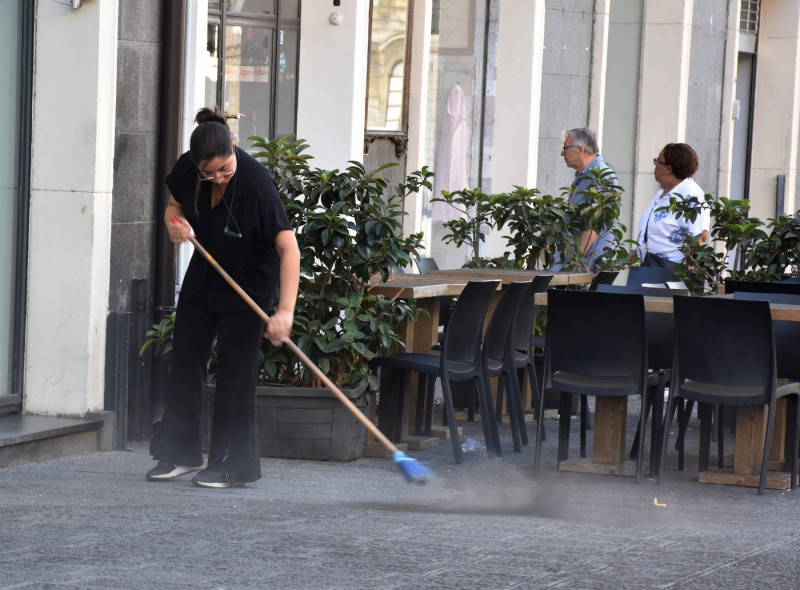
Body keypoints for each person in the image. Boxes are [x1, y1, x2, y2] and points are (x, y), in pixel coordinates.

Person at [146, 107, 300, 488]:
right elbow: (174, 207)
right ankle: (181, 453)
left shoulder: (257, 184)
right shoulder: (190, 168)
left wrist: (284, 311)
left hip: (249, 280)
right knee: (185, 357)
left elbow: (289, 248)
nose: (217, 178)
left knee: (235, 371)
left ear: (234, 146)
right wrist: (175, 226)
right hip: (207, 267)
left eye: (224, 170)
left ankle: (232, 464)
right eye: (208, 173)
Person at [636, 143, 709, 267]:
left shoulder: (690, 196)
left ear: (668, 169)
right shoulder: (665, 191)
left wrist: (684, 279)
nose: (655, 164)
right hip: (650, 266)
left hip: (670, 272)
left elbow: (699, 238)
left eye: (658, 160)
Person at [560, 127, 618, 269]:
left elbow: (593, 225)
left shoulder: (602, 176)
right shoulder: (584, 174)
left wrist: (576, 261)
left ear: (581, 149)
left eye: (565, 148)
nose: (562, 153)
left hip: (589, 261)